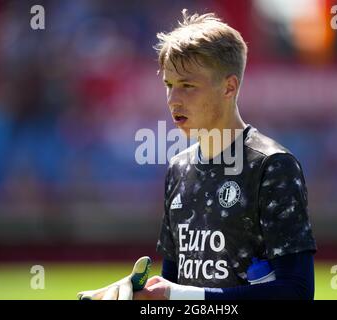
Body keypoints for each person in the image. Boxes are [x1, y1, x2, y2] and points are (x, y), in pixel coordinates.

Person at [134, 9, 317, 300]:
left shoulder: (272, 166)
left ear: (229, 87)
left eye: (187, 86)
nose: (173, 99)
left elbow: (296, 291)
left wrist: (183, 297)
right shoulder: (178, 168)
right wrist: (140, 295)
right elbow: (173, 286)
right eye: (169, 85)